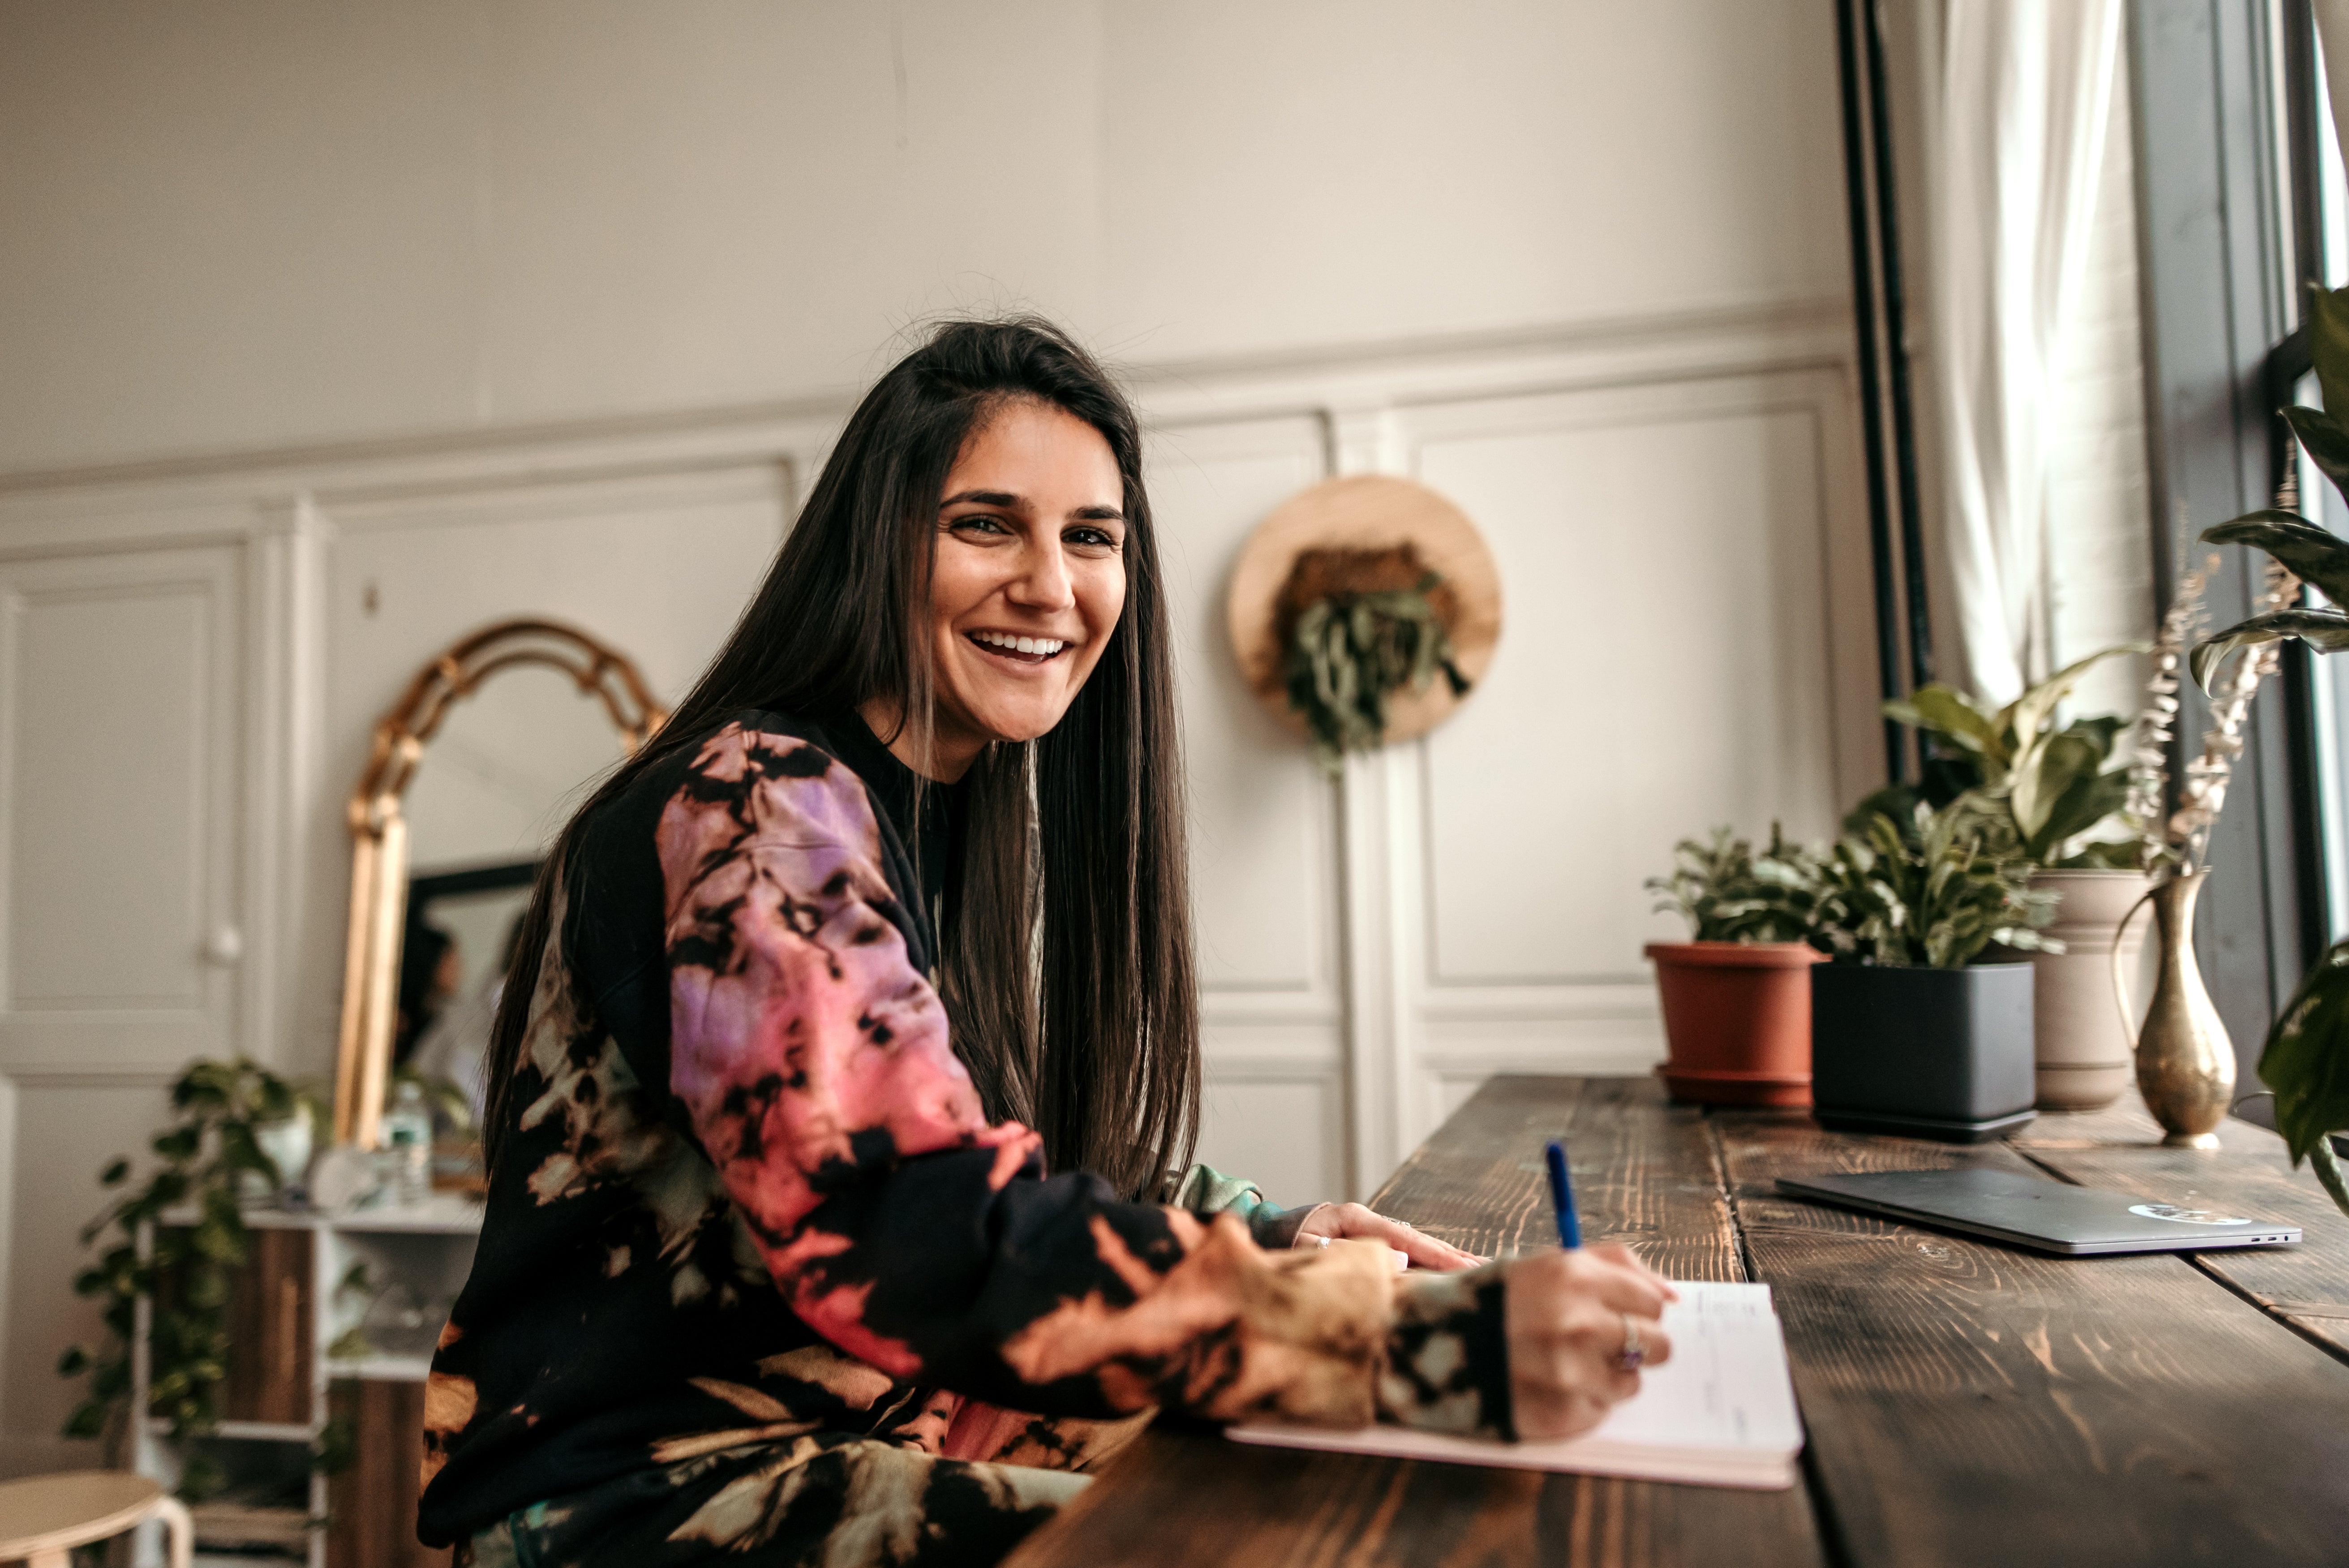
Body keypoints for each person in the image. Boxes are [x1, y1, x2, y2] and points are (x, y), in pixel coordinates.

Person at [417, 318, 1676, 1568]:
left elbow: (994, 1147)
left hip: (879, 1434)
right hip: (636, 1509)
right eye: (986, 524)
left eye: (1092, 539)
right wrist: (1420, 1344)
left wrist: (1274, 1237)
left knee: (1346, 1475)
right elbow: (917, 1231)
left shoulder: (926, 810)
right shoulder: (758, 815)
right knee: (1305, 1531)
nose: (1051, 585)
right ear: (880, 546)